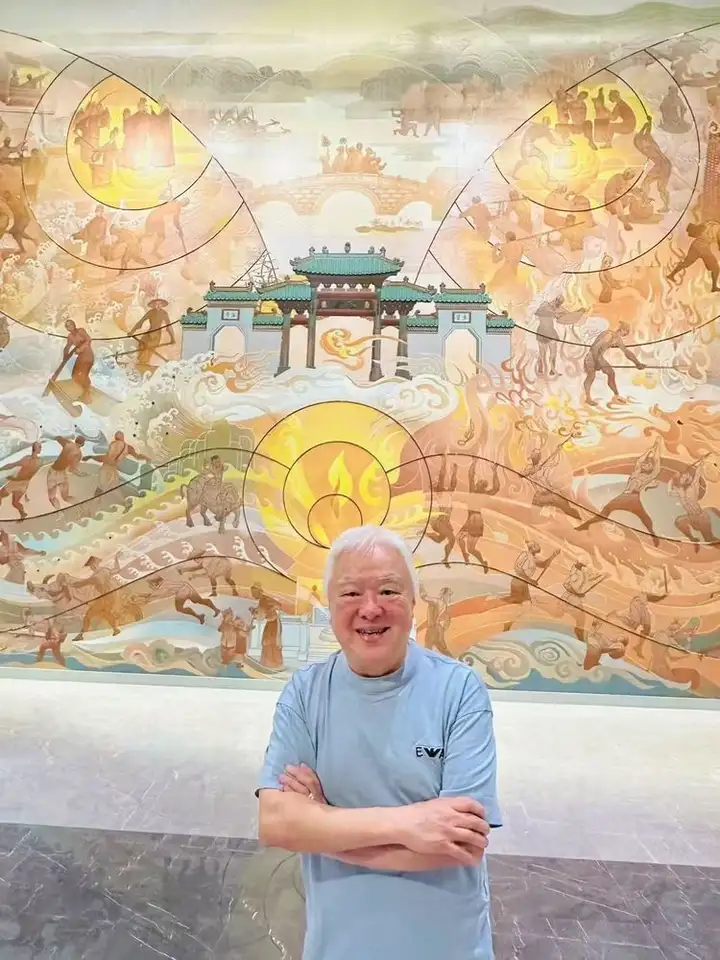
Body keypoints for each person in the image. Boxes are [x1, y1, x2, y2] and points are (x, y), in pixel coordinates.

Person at [257, 525, 501, 960]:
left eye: (388, 591)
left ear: (413, 602)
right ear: (330, 605)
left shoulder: (459, 691)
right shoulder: (306, 693)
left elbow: (462, 843)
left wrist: (323, 827)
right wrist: (411, 825)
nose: (370, 609)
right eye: (351, 593)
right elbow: (277, 823)